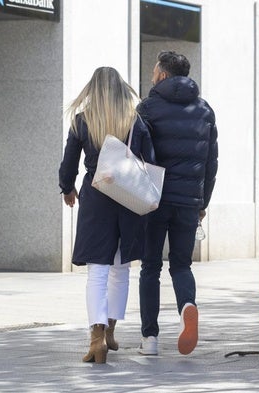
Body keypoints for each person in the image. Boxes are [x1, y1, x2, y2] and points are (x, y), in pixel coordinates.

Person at [59, 67, 155, 364]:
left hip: (96, 198)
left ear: (93, 89)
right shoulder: (135, 120)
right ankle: (111, 329)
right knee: (121, 268)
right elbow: (149, 160)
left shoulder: (82, 120)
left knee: (97, 273)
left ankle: (96, 339)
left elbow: (68, 163)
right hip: (127, 198)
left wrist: (67, 189)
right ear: (120, 89)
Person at [137, 51, 218, 356]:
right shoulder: (204, 110)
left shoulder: (147, 107)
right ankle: (187, 306)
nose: (152, 75)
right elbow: (211, 162)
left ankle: (150, 339)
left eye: (154, 70)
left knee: (150, 267)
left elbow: (135, 153)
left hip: (153, 200)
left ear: (164, 75)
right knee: (181, 264)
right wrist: (202, 202)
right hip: (188, 202)